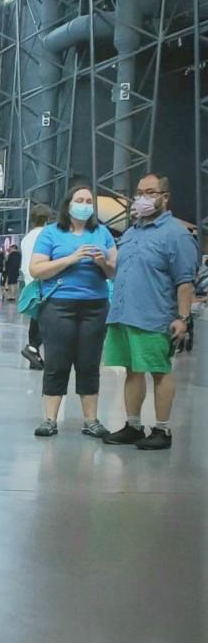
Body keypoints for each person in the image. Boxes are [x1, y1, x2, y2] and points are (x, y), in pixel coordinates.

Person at [102, 174, 199, 451]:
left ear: (164, 197)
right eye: (140, 192)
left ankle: (162, 429)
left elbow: (184, 281)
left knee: (159, 371)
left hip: (155, 316)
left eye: (150, 192)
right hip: (124, 314)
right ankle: (133, 425)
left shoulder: (177, 234)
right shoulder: (132, 232)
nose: (143, 197)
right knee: (131, 370)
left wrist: (182, 318)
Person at [28, 182, 116, 439]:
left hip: (95, 305)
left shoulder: (103, 233)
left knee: (89, 363)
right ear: (68, 204)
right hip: (58, 306)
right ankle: (49, 419)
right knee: (57, 362)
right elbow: (37, 269)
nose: (85, 206)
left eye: (89, 202)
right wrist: (72, 258)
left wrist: (102, 263)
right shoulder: (51, 233)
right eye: (80, 200)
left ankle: (91, 420)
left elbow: (113, 270)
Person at [18, 208, 51, 371]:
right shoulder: (48, 234)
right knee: (49, 318)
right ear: (47, 220)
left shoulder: (26, 238)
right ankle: (34, 348)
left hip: (30, 282)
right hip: (45, 281)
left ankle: (33, 351)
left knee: (36, 317)